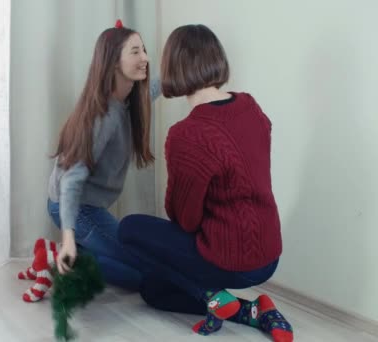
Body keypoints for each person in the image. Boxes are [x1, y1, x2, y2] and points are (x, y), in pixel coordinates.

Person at [118, 24, 294, 341]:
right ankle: (253, 311)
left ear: (173, 67)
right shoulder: (251, 106)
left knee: (129, 228)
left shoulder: (187, 134)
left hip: (230, 257)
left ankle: (213, 295)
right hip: (269, 254)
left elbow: (184, 220)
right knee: (154, 291)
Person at [46, 19, 160, 294]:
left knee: (139, 263)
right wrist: (70, 238)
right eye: (135, 52)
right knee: (141, 274)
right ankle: (65, 257)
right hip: (76, 207)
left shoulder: (126, 100)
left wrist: (185, 75)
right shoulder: (104, 115)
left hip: (88, 206)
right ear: (112, 63)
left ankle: (77, 251)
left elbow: (153, 91)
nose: (145, 58)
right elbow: (71, 180)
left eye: (144, 50)